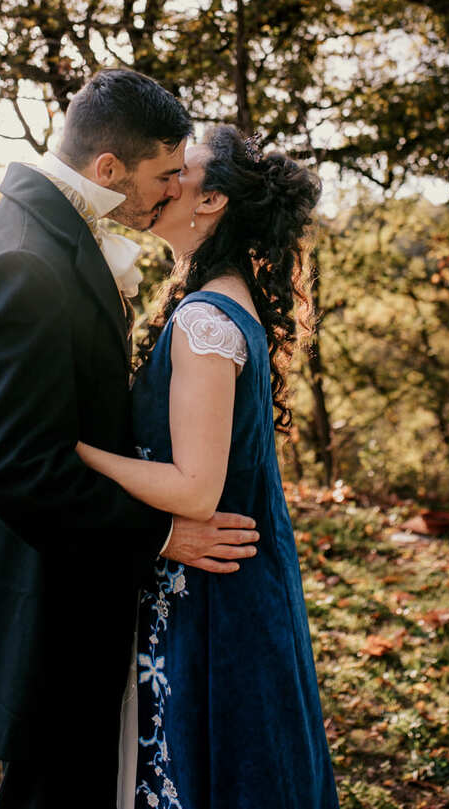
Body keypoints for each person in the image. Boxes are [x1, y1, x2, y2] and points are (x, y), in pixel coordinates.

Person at [0, 70, 260, 809]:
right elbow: (20, 470)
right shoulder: (26, 260)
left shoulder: (40, 232)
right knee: (57, 786)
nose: (172, 189)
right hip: (45, 597)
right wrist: (160, 533)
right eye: (163, 174)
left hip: (65, 579)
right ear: (107, 169)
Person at [76, 125, 340, 809]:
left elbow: (196, 488)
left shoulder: (204, 321)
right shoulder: (220, 301)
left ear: (213, 197)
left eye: (179, 172)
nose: (164, 183)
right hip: (236, 581)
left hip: (217, 597)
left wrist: (78, 452)